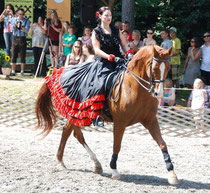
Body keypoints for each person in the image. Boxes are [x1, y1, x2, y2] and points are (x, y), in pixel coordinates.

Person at [45, 6, 126, 127]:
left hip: (119, 61)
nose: (109, 17)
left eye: (110, 15)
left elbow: (124, 45)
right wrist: (110, 57)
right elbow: (97, 50)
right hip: (103, 62)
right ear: (100, 16)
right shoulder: (96, 31)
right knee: (100, 84)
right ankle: (96, 114)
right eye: (106, 15)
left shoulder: (116, 30)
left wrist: (128, 53)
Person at [10, 8, 30, 75]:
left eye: (22, 14)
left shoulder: (27, 21)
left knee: (22, 54)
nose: (21, 16)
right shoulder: (14, 20)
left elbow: (27, 31)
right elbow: (11, 29)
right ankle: (13, 70)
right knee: (14, 54)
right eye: (20, 14)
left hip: (22, 38)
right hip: (15, 38)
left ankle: (22, 71)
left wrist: (21, 27)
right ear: (17, 14)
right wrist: (15, 25)